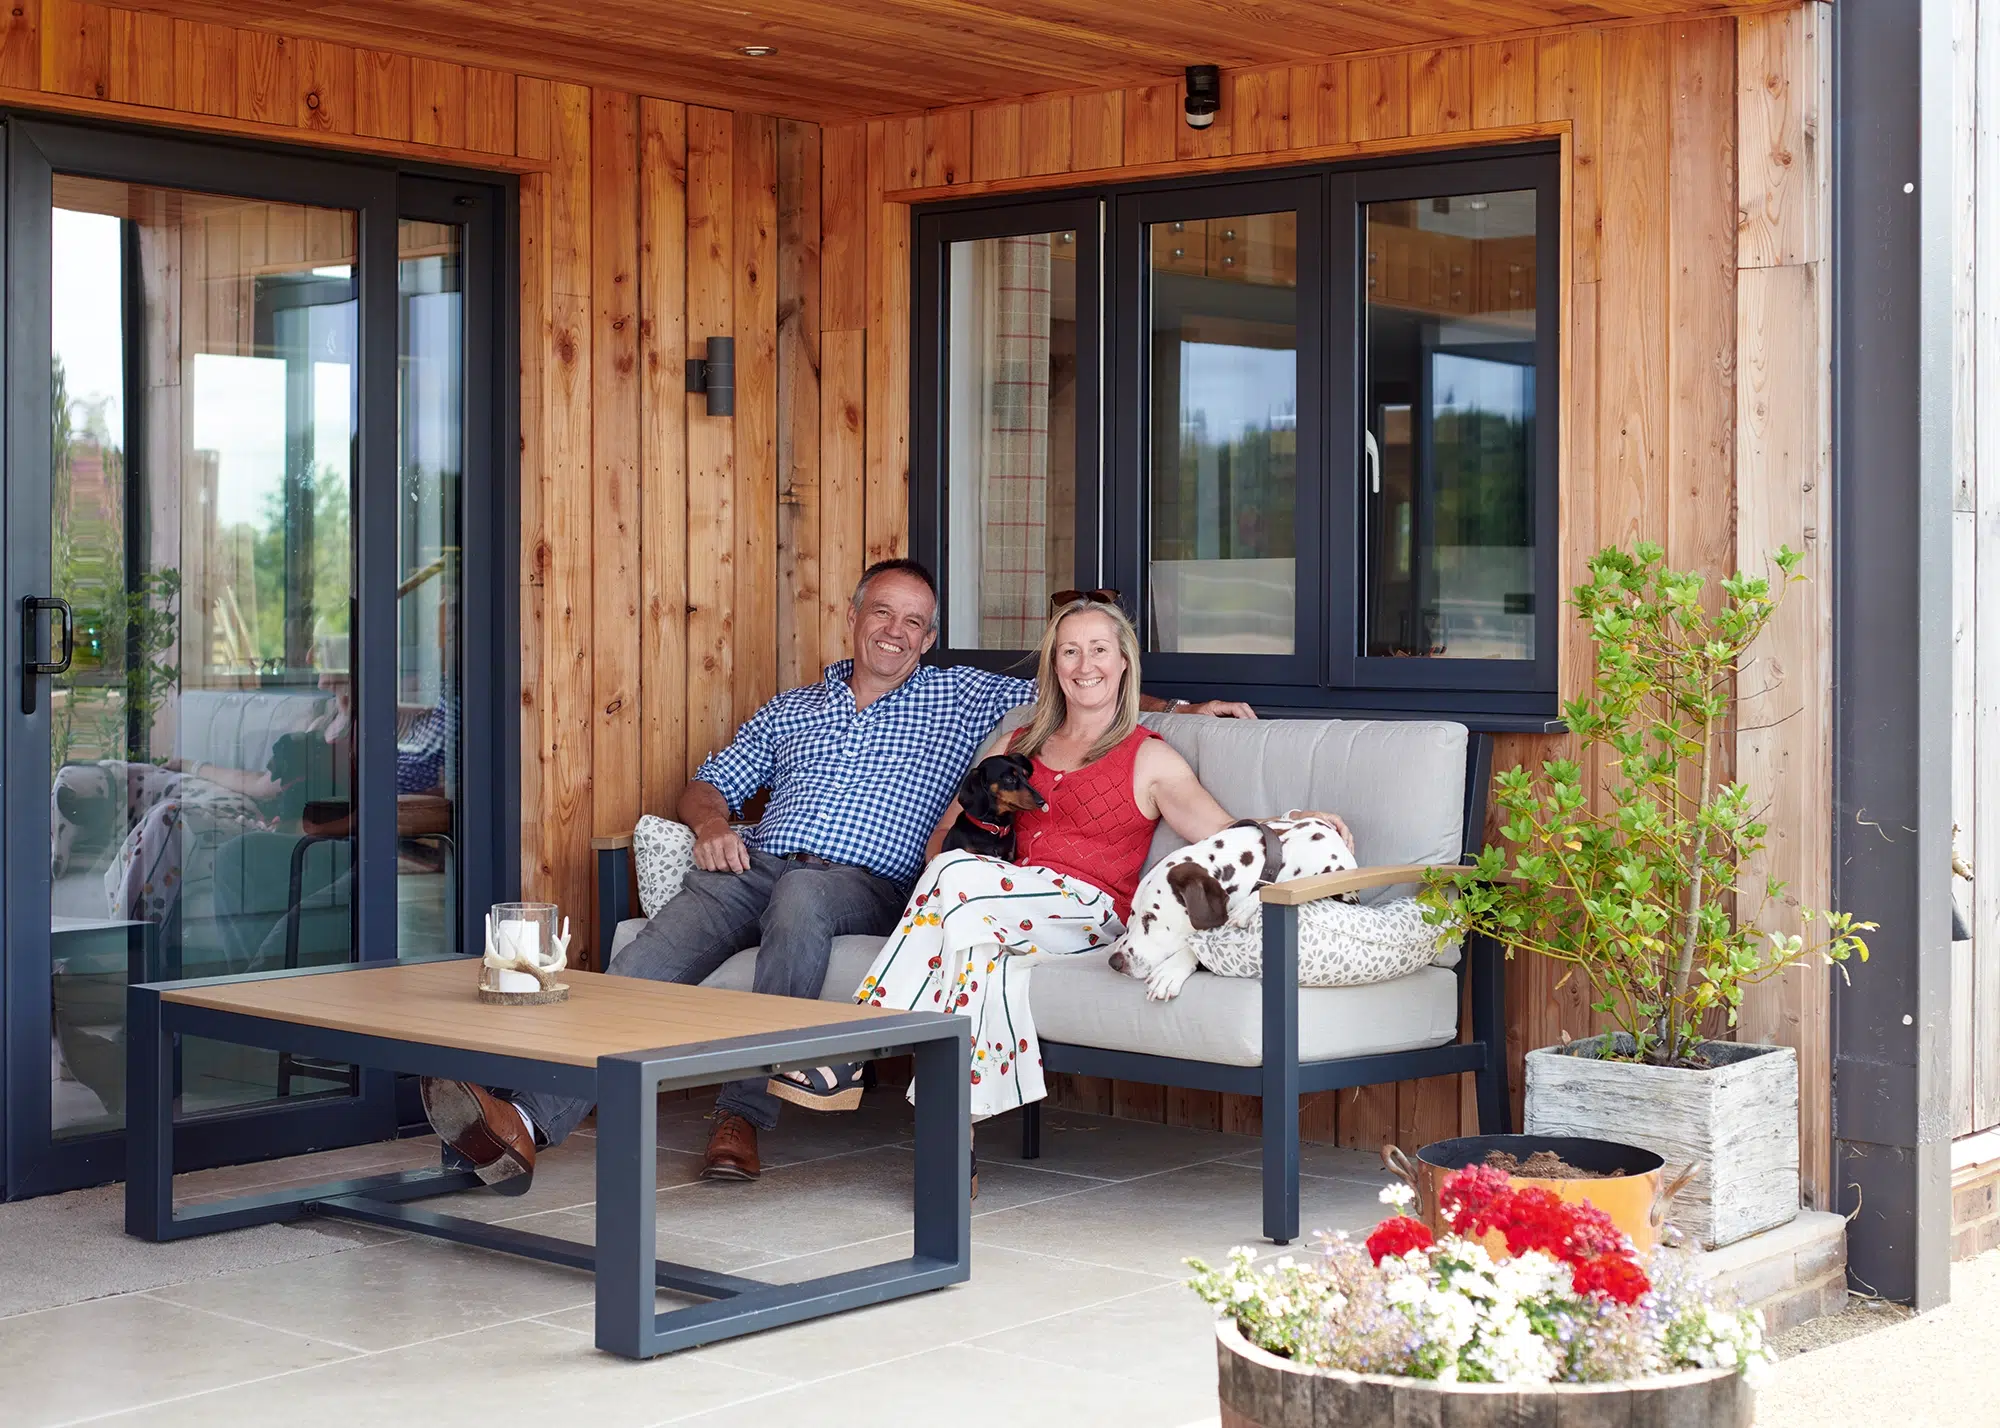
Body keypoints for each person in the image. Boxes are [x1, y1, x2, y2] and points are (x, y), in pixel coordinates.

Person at [416, 560, 1254, 1191]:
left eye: (914, 622)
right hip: (755, 863)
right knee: (647, 956)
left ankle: (743, 1114)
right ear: (852, 618)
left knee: (805, 894)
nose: (896, 631)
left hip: (864, 883)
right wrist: (711, 827)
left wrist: (1188, 711)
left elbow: (1082, 690)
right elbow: (710, 783)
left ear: (929, 639)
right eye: (882, 612)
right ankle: (524, 1120)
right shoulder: (791, 709)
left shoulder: (960, 697)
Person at [773, 596, 1297, 1195]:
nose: (1084, 665)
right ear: (1054, 665)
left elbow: (1226, 835)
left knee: (957, 878)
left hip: (1089, 914)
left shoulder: (1148, 756)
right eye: (1069, 651)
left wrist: (1297, 825)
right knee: (978, 949)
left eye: (1098, 650)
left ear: (1123, 662)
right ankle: (953, 1147)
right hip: (999, 911)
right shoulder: (1018, 745)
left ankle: (860, 1042)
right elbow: (944, 840)